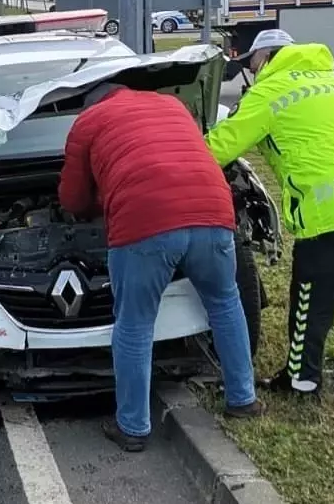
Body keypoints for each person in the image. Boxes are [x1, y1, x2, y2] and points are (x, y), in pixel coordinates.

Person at [59, 82, 265, 453]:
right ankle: (243, 400)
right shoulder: (171, 104)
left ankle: (133, 427)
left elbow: (72, 197)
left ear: (88, 103)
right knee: (224, 302)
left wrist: (92, 208)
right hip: (213, 214)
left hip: (145, 222)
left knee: (135, 324)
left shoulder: (89, 121)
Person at [206, 30, 334, 399]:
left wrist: (178, 151)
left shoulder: (271, 91)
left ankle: (302, 381)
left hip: (326, 212)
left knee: (310, 303)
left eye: (251, 63)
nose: (251, 70)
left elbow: (221, 146)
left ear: (264, 58)